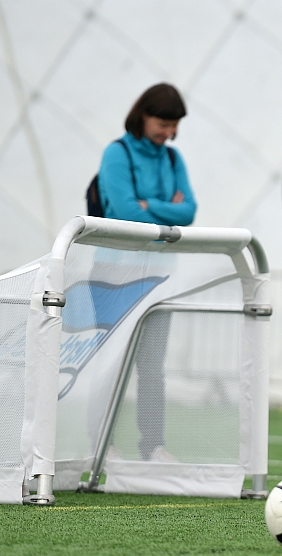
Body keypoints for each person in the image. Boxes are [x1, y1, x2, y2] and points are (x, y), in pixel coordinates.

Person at [97, 83, 197, 461]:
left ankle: (152, 445)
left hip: (158, 276)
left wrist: (147, 203)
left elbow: (188, 211)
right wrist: (162, 207)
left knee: (152, 368)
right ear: (143, 116)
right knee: (111, 362)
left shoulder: (173, 160)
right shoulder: (117, 153)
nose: (168, 132)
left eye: (174, 126)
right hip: (112, 275)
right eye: (163, 123)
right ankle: (100, 443)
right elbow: (125, 213)